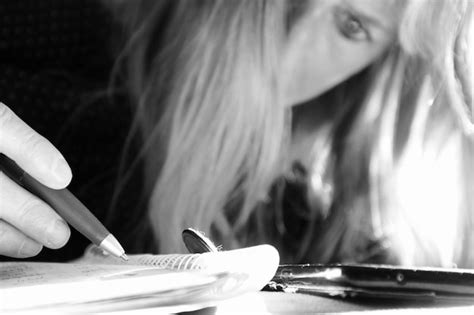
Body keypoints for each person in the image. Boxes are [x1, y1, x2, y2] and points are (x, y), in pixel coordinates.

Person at [0, 0, 472, 268]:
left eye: (352, 25)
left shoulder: (331, 233)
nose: (286, 38)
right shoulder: (61, 45)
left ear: (382, 64)